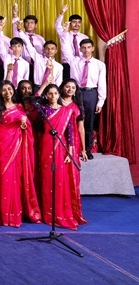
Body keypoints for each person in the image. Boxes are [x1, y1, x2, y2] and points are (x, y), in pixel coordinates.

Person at [37, 84, 86, 230]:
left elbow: (69, 132)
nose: (53, 96)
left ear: (59, 94)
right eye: (50, 93)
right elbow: (35, 99)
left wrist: (70, 152)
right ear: (46, 95)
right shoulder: (43, 109)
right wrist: (44, 86)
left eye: (55, 93)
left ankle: (59, 212)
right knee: (47, 179)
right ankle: (48, 214)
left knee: (59, 179)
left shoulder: (66, 111)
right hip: (46, 145)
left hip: (61, 146)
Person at [0, 81, 41, 227]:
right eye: (4, 90)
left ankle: (14, 214)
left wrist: (24, 125)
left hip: (16, 147)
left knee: (15, 178)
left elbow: (26, 127)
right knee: (3, 177)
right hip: (2, 147)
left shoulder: (19, 107)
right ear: (0, 92)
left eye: (9, 89)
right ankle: (2, 214)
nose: (7, 92)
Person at [60, 38, 105, 159]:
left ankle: (87, 149)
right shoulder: (74, 61)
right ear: (80, 49)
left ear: (93, 48)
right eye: (83, 48)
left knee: (89, 122)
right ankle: (73, 148)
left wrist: (100, 102)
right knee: (74, 120)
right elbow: (65, 48)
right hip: (76, 92)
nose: (86, 50)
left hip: (91, 93)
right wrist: (63, 33)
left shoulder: (100, 65)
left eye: (89, 47)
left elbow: (102, 84)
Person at [60, 79, 88, 226]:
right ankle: (58, 209)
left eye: (73, 87)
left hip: (74, 142)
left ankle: (72, 209)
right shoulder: (56, 102)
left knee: (72, 175)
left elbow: (81, 128)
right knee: (59, 175)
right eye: (67, 87)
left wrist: (83, 149)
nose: (70, 89)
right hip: (58, 141)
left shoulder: (77, 106)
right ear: (62, 88)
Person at [56, 4, 89, 78]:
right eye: (74, 22)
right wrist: (62, 13)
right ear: (69, 23)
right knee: (67, 84)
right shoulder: (64, 34)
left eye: (79, 22)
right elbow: (57, 26)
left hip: (80, 64)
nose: (77, 24)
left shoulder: (84, 37)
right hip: (67, 64)